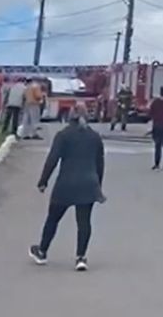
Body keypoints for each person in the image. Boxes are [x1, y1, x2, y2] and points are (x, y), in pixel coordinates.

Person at [30, 107, 106, 272]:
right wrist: (98, 184)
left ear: (69, 118)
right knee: (84, 221)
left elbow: (53, 159)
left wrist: (43, 181)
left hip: (66, 184)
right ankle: (81, 257)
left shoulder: (63, 136)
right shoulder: (95, 137)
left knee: (53, 219)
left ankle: (42, 251)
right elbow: (100, 163)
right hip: (88, 184)